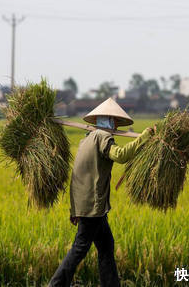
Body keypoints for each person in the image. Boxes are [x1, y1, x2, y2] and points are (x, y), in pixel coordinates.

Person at [49, 98, 153, 287]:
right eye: (114, 121)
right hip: (93, 205)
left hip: (88, 204)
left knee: (106, 245)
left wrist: (74, 210)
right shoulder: (103, 137)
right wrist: (143, 138)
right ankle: (55, 285)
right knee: (79, 248)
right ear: (110, 121)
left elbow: (78, 177)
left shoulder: (87, 140)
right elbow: (119, 155)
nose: (115, 125)